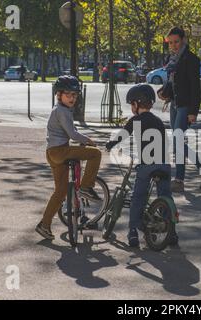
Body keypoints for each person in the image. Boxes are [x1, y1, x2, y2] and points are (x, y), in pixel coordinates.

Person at [106, 84, 178, 247]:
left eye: (132, 104)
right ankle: (172, 232)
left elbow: (122, 135)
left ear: (136, 104)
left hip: (147, 166)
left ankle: (132, 233)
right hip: (164, 165)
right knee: (165, 195)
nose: (131, 107)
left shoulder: (135, 120)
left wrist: (111, 144)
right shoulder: (158, 121)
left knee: (137, 197)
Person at [36, 76, 102, 240]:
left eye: (75, 95)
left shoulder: (58, 109)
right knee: (95, 154)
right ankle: (86, 186)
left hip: (52, 153)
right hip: (60, 151)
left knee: (61, 191)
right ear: (58, 95)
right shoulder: (62, 111)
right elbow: (72, 134)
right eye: (68, 94)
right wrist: (88, 141)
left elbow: (68, 132)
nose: (72, 98)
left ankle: (44, 225)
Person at [157, 26, 201, 193]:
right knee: (178, 142)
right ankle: (181, 180)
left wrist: (193, 112)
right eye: (171, 42)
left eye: (176, 42)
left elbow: (196, 88)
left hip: (186, 105)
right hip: (175, 103)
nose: (173, 45)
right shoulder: (172, 59)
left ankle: (198, 171)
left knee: (177, 141)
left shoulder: (191, 59)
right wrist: (164, 91)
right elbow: (173, 82)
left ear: (183, 41)